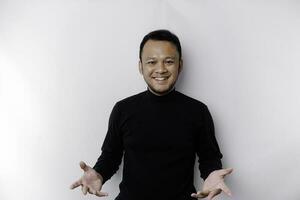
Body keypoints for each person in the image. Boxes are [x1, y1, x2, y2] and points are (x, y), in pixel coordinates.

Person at [70, 29, 233, 200]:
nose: (160, 69)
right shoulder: (123, 109)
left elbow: (209, 158)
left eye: (169, 61)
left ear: (180, 65)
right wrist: (98, 174)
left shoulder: (198, 111)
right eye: (151, 62)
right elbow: (110, 156)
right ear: (141, 66)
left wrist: (212, 174)